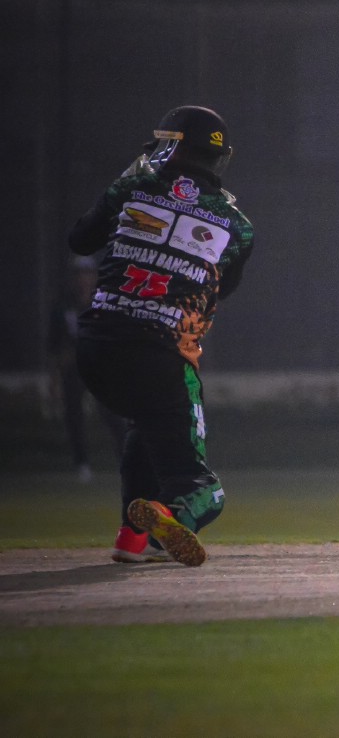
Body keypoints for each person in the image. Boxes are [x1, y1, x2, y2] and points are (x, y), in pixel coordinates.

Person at [67, 105, 255, 566]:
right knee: (205, 491)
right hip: (161, 357)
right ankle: (168, 516)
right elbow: (221, 290)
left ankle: (131, 538)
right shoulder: (237, 225)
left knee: (146, 426)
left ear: (168, 145)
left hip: (94, 350)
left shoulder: (133, 187)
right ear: (219, 158)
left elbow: (80, 241)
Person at [45, 254, 129, 482]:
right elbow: (54, 344)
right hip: (73, 369)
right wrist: (54, 377)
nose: (83, 279)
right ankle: (81, 463)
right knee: (74, 415)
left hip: (100, 367)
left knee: (112, 414)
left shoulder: (103, 302)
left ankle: (126, 461)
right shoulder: (63, 305)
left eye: (87, 274)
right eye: (79, 275)